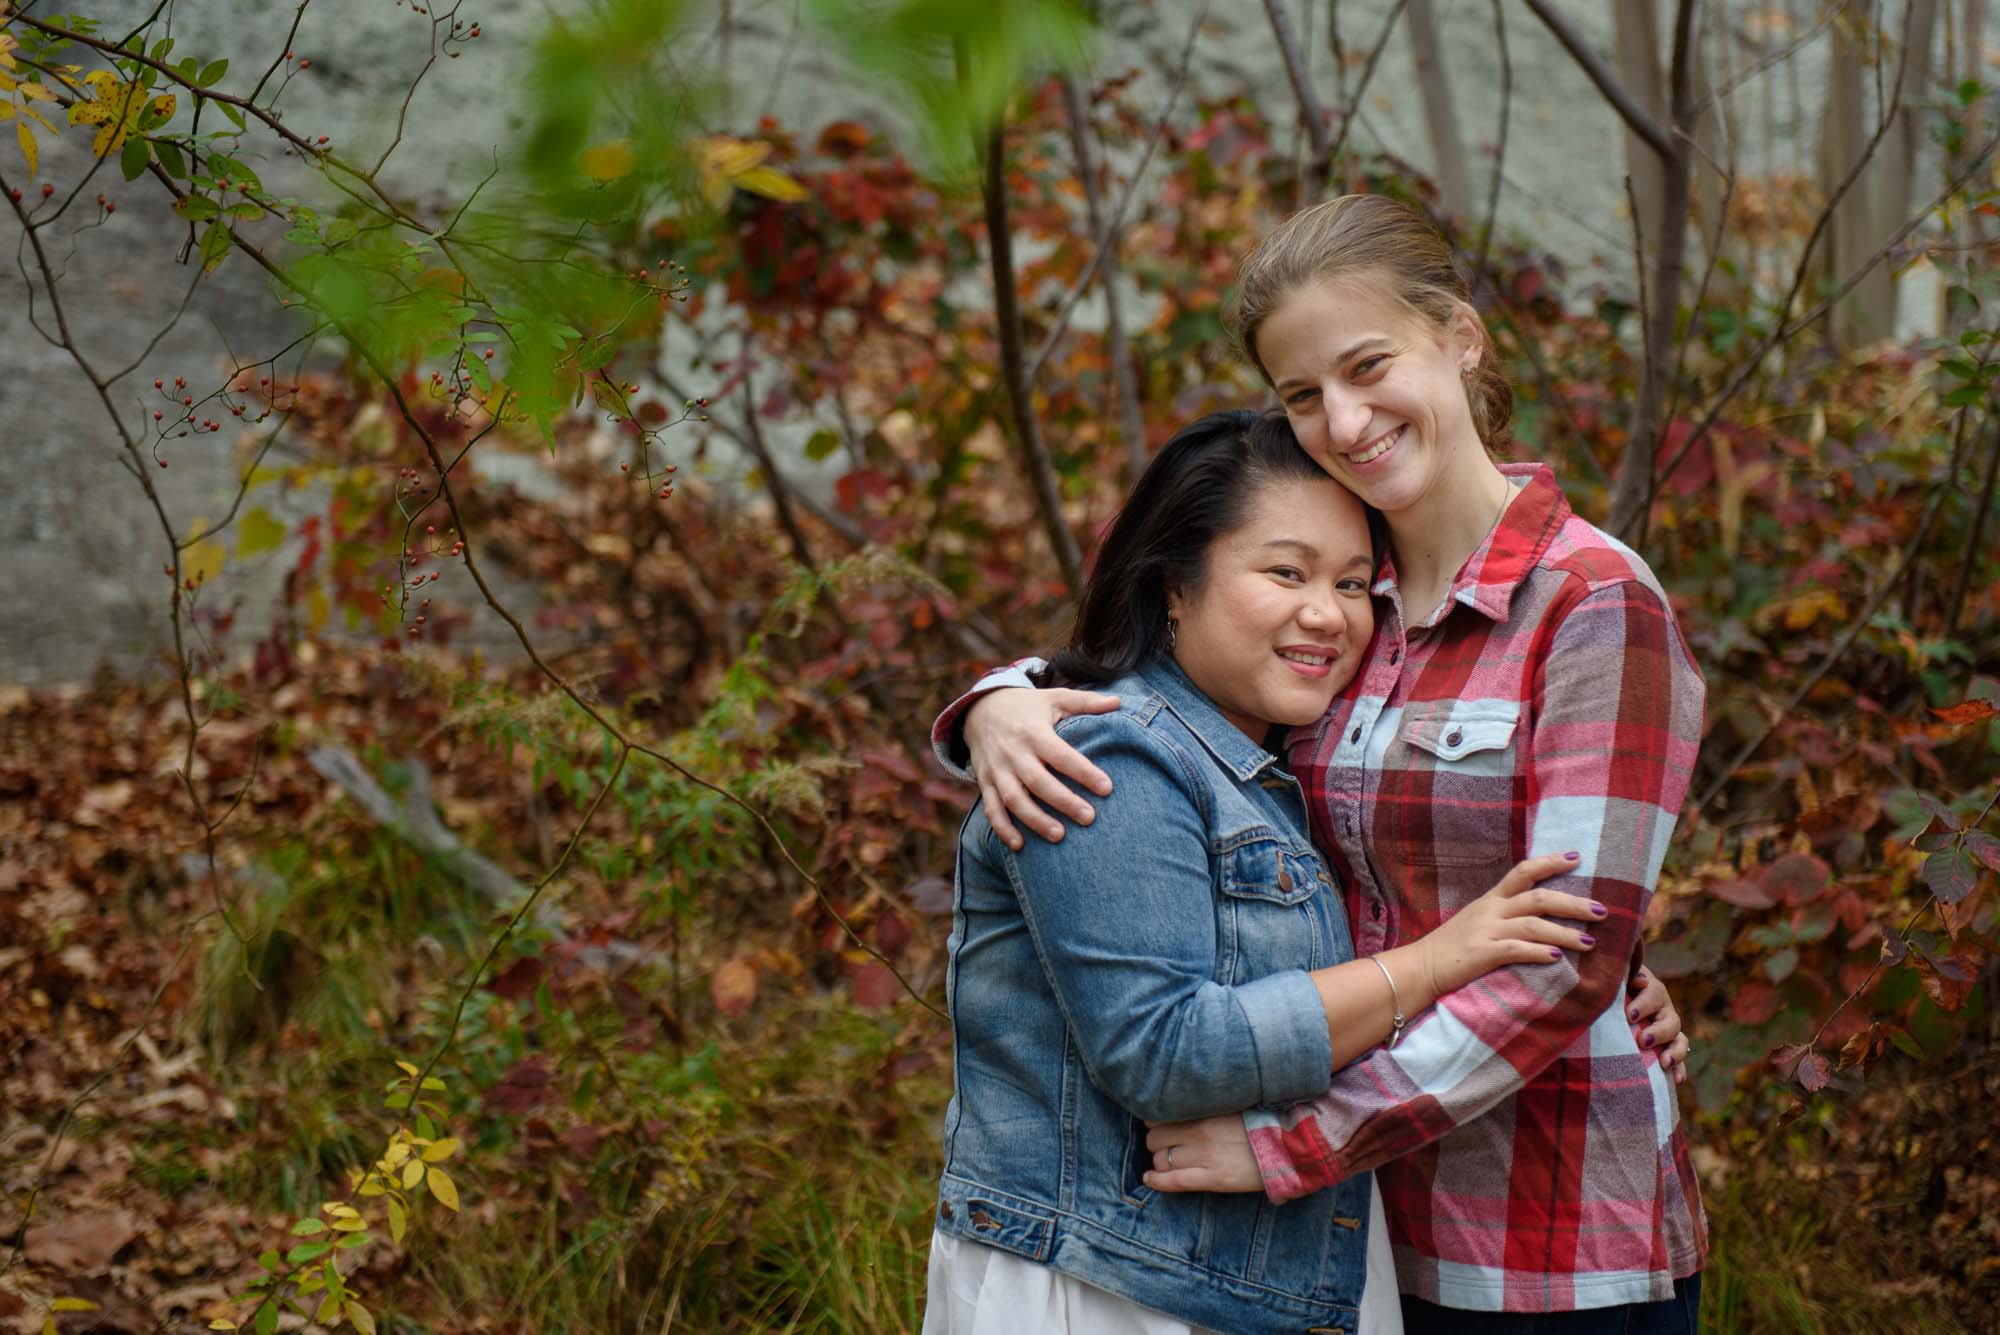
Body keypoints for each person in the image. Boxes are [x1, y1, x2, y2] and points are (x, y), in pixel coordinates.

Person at [940, 195, 1707, 1332]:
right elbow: (1160, 682)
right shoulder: (1352, 598)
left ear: (1457, 334)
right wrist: (999, 705)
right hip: (1341, 1242)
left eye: (1366, 366)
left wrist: (1291, 1144)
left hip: (1536, 1231)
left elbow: (1562, 964)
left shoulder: (1590, 605)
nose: (1343, 423)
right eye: (1303, 396)